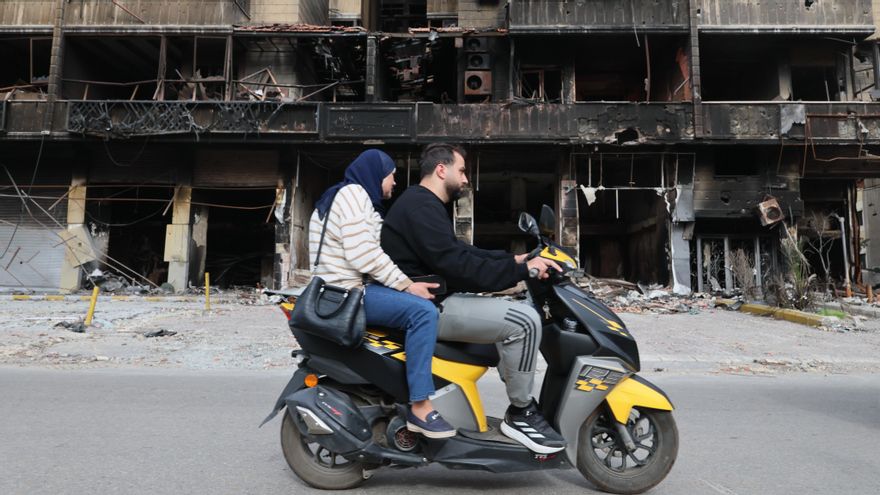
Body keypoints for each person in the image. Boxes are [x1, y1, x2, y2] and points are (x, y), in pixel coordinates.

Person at [380, 143, 566, 454]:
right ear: (442, 169)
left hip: (434, 297)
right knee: (525, 320)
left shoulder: (423, 204)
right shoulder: (420, 207)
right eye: (462, 170)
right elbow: (457, 266)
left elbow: (460, 252)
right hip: (429, 305)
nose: (466, 179)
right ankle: (521, 412)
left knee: (513, 310)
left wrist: (516, 261)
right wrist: (521, 272)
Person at [309, 149, 455, 439]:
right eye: (391, 175)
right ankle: (421, 406)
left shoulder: (352, 198)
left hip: (346, 289)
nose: (394, 182)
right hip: (347, 293)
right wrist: (406, 285)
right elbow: (364, 254)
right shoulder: (354, 195)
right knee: (422, 312)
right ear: (376, 174)